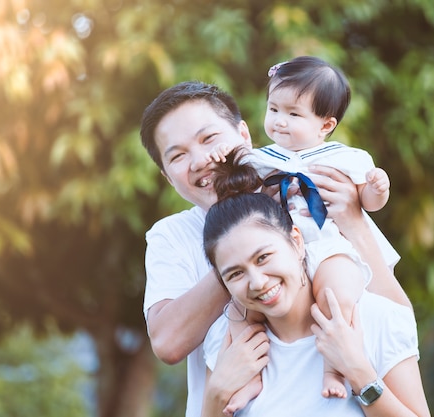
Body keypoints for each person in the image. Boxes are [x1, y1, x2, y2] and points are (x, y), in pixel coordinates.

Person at [139, 81, 410, 417]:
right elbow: (168, 342)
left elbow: (395, 317)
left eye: (209, 139)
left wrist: (353, 222)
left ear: (244, 136)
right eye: (177, 156)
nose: (200, 160)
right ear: (167, 176)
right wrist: (239, 252)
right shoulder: (173, 235)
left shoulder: (312, 199)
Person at [206, 56, 399, 402]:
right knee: (242, 310)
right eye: (274, 109)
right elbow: (235, 175)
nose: (280, 122)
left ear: (325, 125)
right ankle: (250, 377)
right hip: (276, 253)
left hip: (326, 245)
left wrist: (376, 189)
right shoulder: (263, 158)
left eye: (294, 114)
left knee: (337, 294)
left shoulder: (344, 157)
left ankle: (334, 366)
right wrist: (224, 153)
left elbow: (366, 202)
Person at [200, 154, 430, 416]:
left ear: (296, 242)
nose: (258, 282)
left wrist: (359, 373)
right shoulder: (226, 341)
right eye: (235, 274)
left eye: (263, 257)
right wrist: (216, 393)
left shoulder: (375, 318)